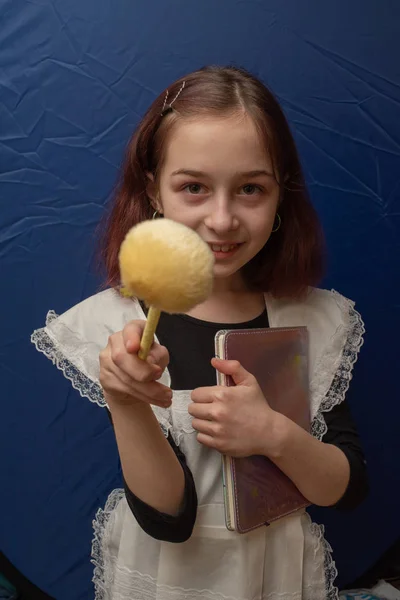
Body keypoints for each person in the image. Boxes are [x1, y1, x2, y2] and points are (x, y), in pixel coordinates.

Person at [32, 66, 368, 600]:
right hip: (165, 579)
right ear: (154, 191)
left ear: (281, 194)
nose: (222, 218)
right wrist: (125, 401)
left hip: (276, 576)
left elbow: (344, 490)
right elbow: (169, 519)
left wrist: (274, 435)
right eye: (193, 187)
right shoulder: (115, 326)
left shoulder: (313, 320)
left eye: (251, 188)